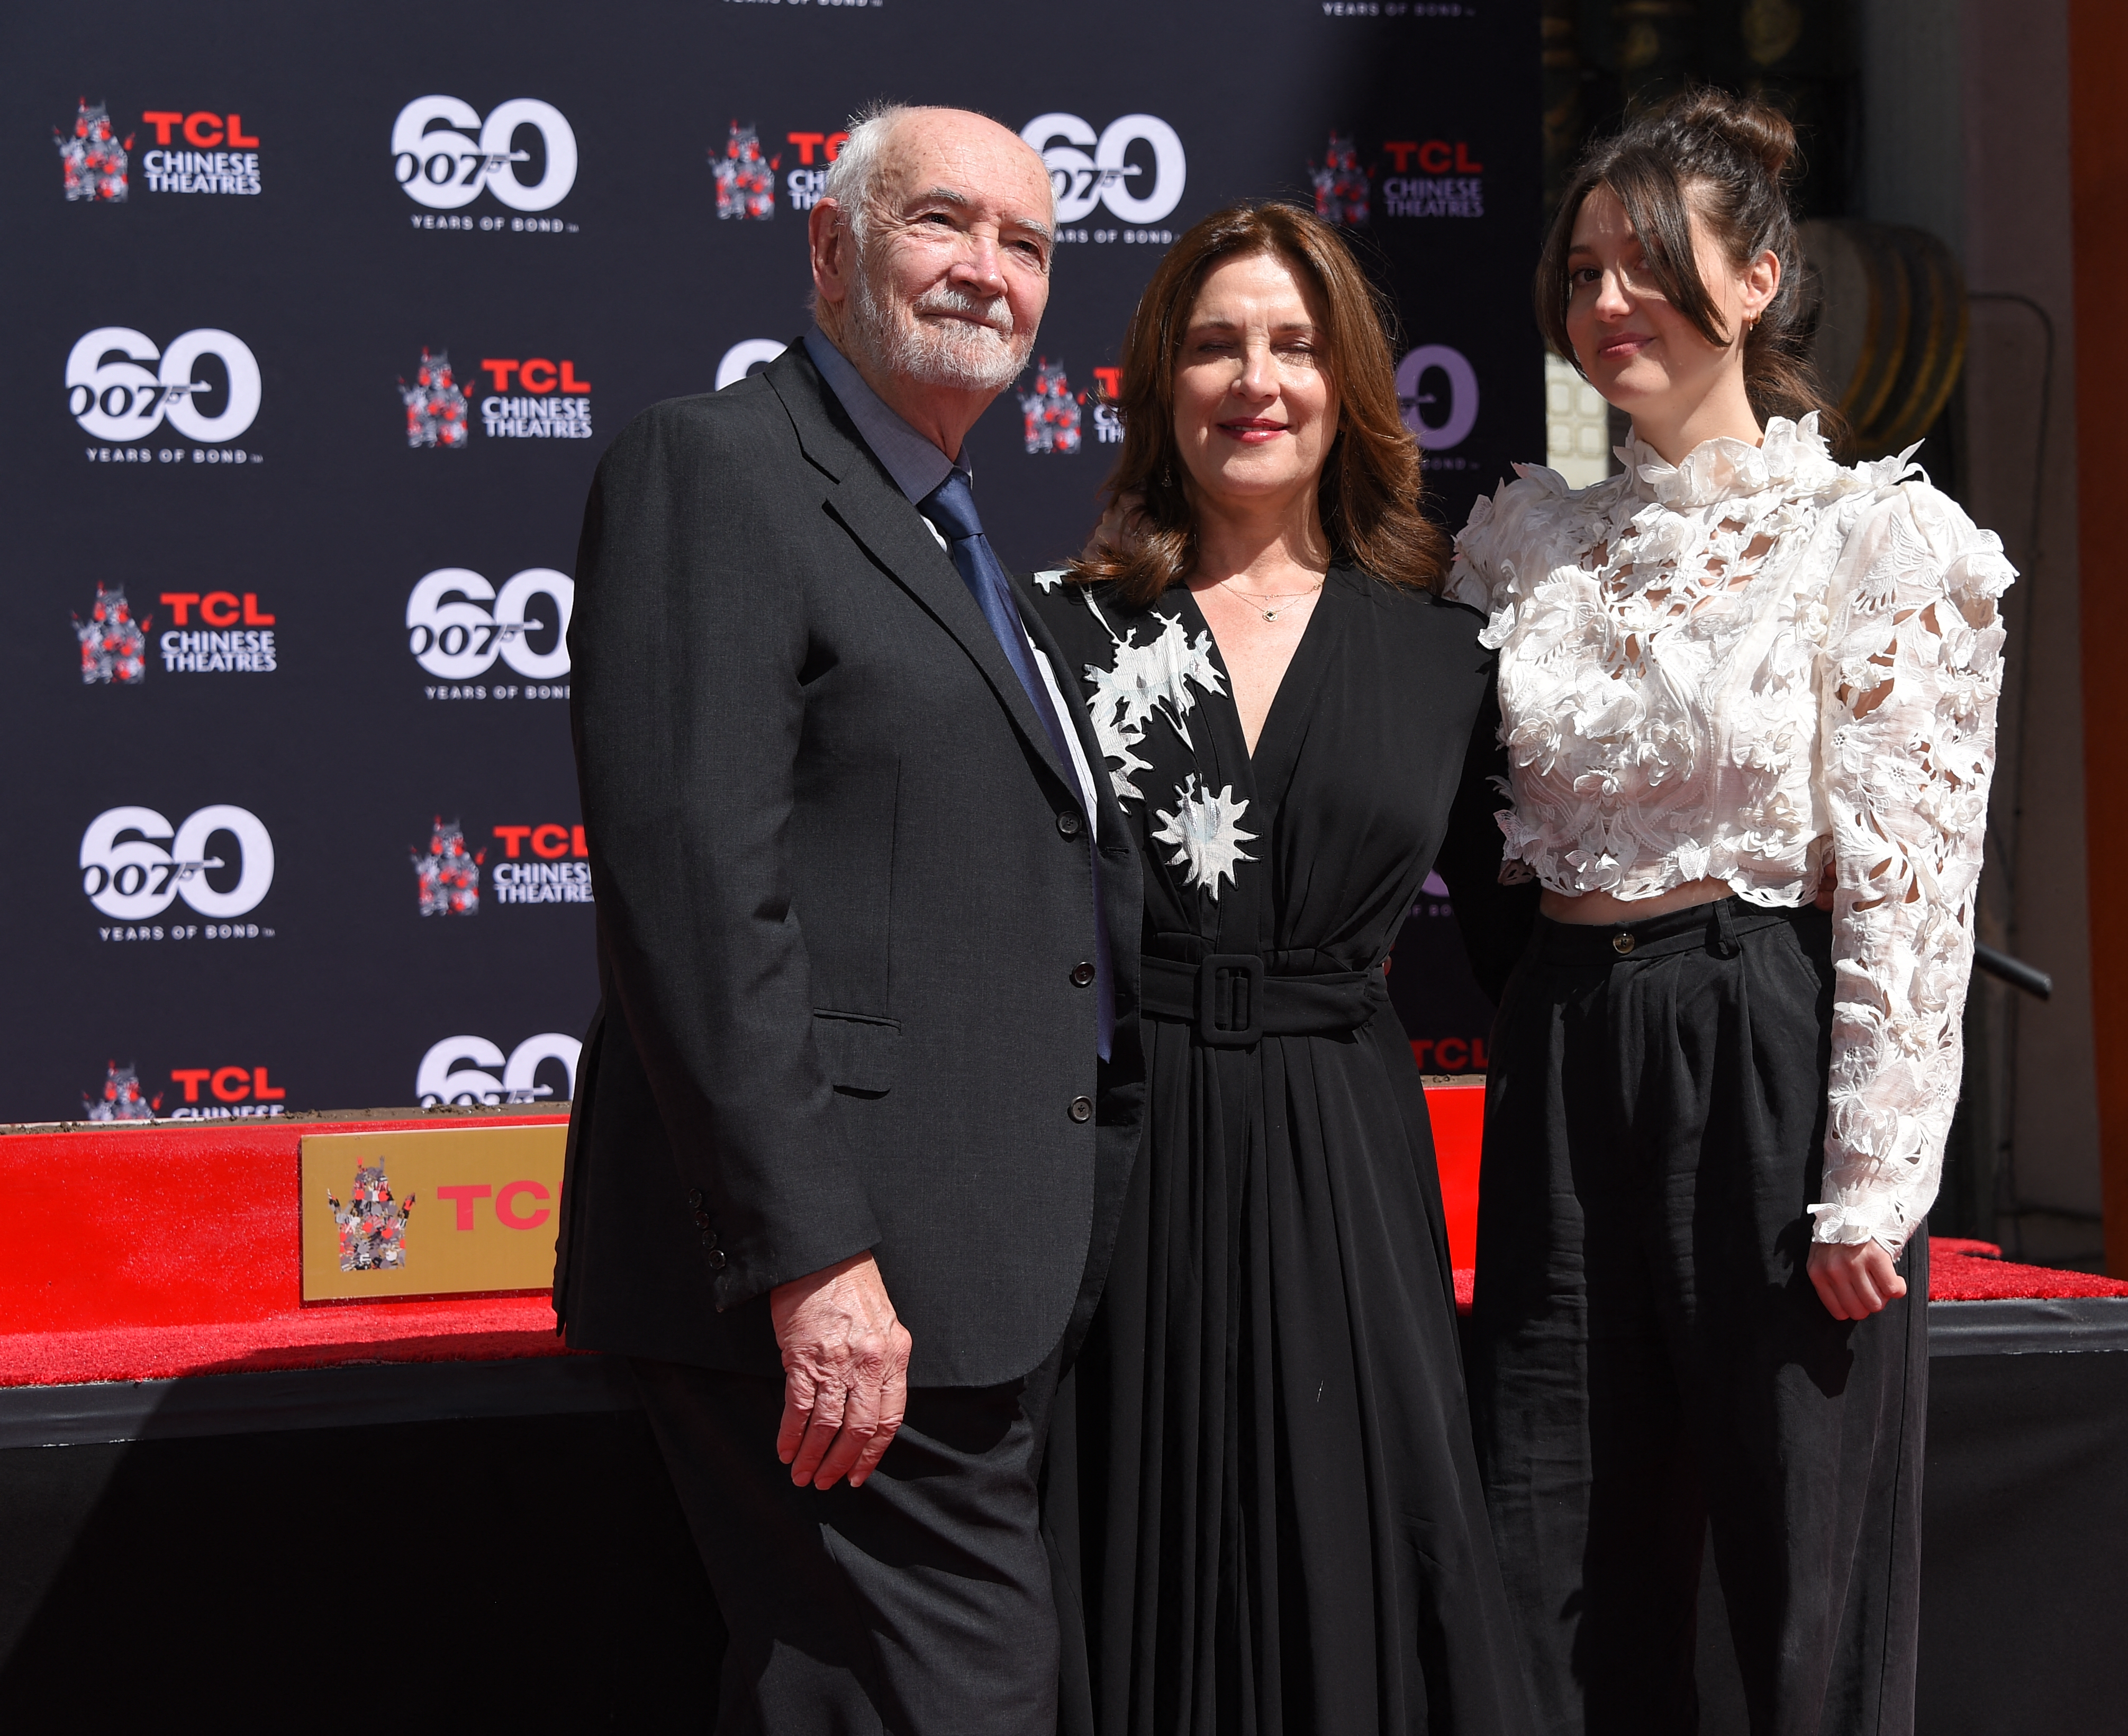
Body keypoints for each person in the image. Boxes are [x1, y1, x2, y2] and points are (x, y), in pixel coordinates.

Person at [554, 102, 1145, 1734]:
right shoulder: (719, 471)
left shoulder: (965, 549)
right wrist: (813, 1259)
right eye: (940, 223)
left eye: (1027, 246)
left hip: (969, 1285)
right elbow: (692, 896)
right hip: (837, 1298)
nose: (988, 272)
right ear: (828, 248)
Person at [1453, 90, 2014, 1734]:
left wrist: (1873, 1184)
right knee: (1546, 1526)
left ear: (1757, 278)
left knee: (1802, 1554)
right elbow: (1479, 834)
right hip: (1564, 1052)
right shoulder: (1525, 546)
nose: (1605, 303)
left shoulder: (1877, 537)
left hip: (1762, 1035)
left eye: (1646, 266)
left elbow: (1915, 876)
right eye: (1580, 274)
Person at [1029, 202, 1534, 1736]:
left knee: (1359, 1540)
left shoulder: (1447, 649)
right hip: (1123, 1155)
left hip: (1344, 1163)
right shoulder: (1064, 633)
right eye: (1216, 344)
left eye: (1296, 346)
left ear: (1349, 385)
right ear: (1159, 383)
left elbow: (1534, 956)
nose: (1256, 380)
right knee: (1122, 1539)